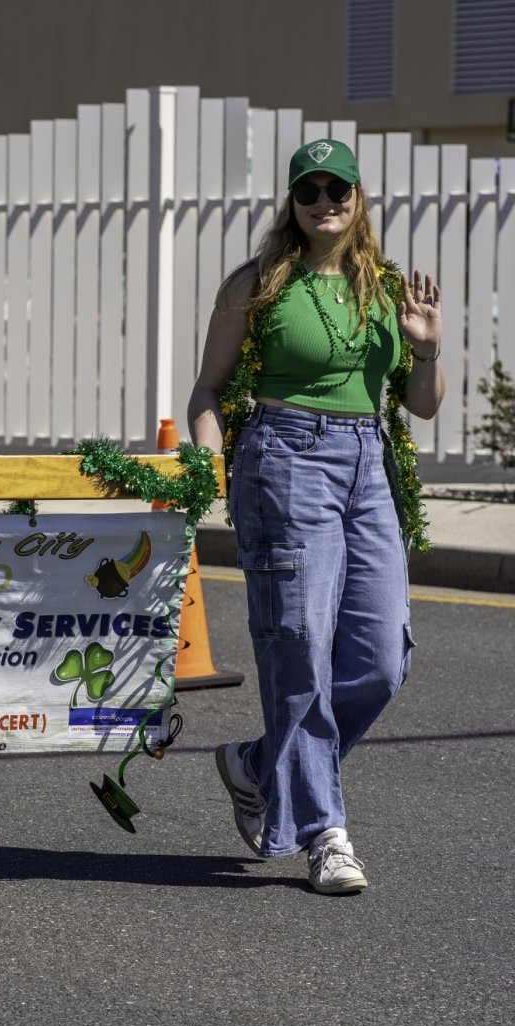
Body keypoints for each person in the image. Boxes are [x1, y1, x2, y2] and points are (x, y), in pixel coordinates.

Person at [187, 139, 444, 894]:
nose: (325, 200)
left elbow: (421, 405)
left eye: (339, 188)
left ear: (359, 199)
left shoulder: (386, 289)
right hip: (285, 457)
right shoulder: (258, 284)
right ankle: (325, 833)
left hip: (369, 465)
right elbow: (208, 391)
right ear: (293, 204)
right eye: (311, 190)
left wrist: (425, 351)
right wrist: (209, 460)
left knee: (381, 657)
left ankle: (259, 764)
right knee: (298, 647)